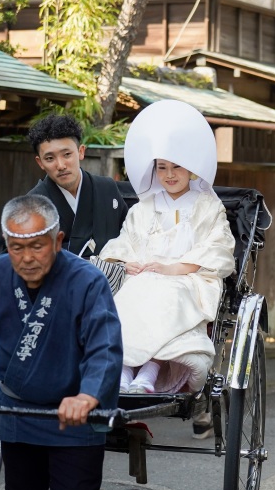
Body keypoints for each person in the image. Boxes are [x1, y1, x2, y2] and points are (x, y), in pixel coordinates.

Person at [0, 194, 123, 490]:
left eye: (37, 246)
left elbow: (104, 347)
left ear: (58, 241)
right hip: (19, 413)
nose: (26, 258)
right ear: (6, 243)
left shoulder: (87, 281)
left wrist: (87, 396)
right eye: (16, 248)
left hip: (75, 417)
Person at [98, 100, 235, 438]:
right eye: (161, 167)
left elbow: (218, 249)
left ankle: (148, 373)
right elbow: (123, 243)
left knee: (165, 293)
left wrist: (172, 267)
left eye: (177, 166)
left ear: (191, 168)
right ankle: (126, 374)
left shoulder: (208, 206)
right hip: (143, 277)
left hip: (187, 279)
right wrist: (127, 261)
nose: (170, 175)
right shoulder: (143, 209)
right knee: (130, 292)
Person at [0, 114, 128, 257]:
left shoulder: (107, 189)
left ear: (81, 152)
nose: (61, 165)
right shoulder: (31, 207)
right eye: (50, 158)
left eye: (67, 154)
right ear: (40, 163)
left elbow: (129, 238)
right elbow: (10, 258)